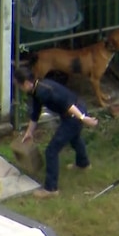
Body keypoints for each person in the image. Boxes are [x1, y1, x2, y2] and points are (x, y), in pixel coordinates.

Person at [14, 66, 98, 199]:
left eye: (18, 85)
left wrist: (82, 118)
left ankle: (51, 189)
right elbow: (35, 113)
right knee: (74, 138)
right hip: (73, 112)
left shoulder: (43, 91)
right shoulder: (36, 89)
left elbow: (67, 104)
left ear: (25, 83)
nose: (19, 88)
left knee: (51, 151)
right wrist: (29, 132)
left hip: (74, 113)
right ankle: (83, 164)